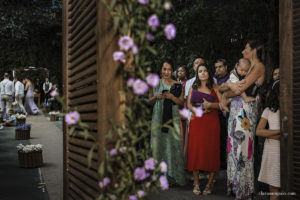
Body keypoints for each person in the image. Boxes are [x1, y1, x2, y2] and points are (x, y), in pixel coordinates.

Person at [222, 40, 265, 199]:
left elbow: (240, 87)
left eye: (246, 48)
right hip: (235, 110)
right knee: (233, 148)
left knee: (244, 150)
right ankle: (235, 186)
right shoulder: (248, 67)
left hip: (246, 112)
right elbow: (231, 85)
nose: (242, 51)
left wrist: (225, 93)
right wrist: (227, 90)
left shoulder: (258, 66)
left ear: (253, 50)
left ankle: (245, 189)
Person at [149, 61, 186, 186]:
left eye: (169, 69)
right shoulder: (155, 83)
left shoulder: (178, 85)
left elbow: (181, 103)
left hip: (173, 117)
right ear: (161, 70)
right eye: (164, 69)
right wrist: (156, 97)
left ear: (173, 71)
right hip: (158, 117)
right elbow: (149, 101)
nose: (166, 72)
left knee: (172, 145)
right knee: (157, 145)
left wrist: (171, 97)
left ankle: (172, 176)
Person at [187, 63, 222, 195]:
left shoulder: (215, 87)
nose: (203, 73)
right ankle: (196, 183)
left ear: (209, 73)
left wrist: (210, 105)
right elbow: (189, 105)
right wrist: (198, 110)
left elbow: (222, 105)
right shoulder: (193, 87)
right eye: (200, 71)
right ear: (197, 74)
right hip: (197, 121)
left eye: (205, 70)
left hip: (212, 122)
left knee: (211, 151)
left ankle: (209, 184)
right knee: (196, 151)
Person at [256, 81, 280, 200]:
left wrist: (270, 134)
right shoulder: (269, 111)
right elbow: (259, 131)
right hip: (272, 151)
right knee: (274, 189)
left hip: (281, 150)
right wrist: (278, 132)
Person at [214, 58, 230, 170]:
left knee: (226, 138)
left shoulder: (231, 78)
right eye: (216, 67)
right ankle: (218, 162)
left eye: (220, 66)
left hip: (226, 112)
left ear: (226, 67)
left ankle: (225, 164)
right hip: (214, 111)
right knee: (216, 139)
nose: (218, 69)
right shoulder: (213, 79)